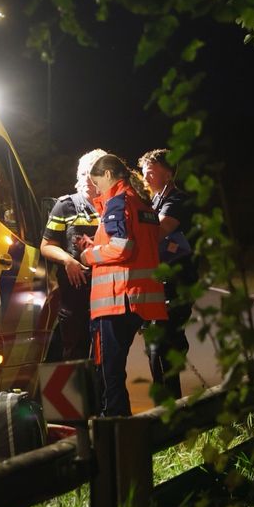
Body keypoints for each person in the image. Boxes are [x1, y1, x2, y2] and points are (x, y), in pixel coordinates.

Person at [78, 154, 168, 417]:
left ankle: (117, 434)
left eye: (97, 183)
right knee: (116, 371)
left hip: (117, 301)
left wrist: (88, 255)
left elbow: (122, 247)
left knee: (110, 373)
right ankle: (125, 435)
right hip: (139, 301)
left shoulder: (118, 202)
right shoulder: (142, 204)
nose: (96, 189)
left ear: (108, 175)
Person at [139, 148, 196, 402]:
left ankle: (173, 416)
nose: (146, 177)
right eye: (143, 173)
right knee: (155, 348)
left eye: (151, 171)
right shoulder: (154, 200)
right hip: (158, 286)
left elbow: (158, 231)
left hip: (177, 286)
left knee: (165, 346)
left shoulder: (176, 200)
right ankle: (167, 414)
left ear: (169, 172)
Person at [39, 148, 107, 360]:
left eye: (93, 172)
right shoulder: (65, 205)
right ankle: (78, 394)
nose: (87, 177)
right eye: (83, 172)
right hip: (75, 297)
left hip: (107, 296)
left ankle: (102, 394)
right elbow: (47, 245)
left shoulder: (114, 206)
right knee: (75, 357)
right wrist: (68, 261)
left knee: (107, 359)